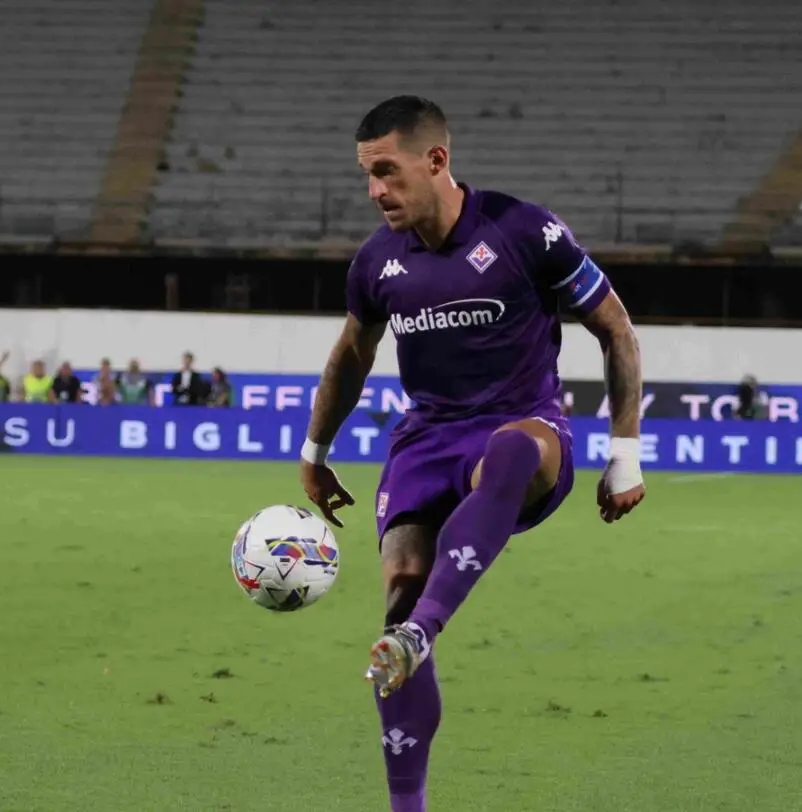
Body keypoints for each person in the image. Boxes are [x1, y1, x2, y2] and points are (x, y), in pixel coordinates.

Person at [298, 96, 645, 812]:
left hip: (525, 428)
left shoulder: (524, 231)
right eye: (367, 176)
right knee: (395, 610)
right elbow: (351, 356)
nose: (375, 191)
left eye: (387, 172)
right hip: (425, 440)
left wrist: (625, 453)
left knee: (510, 449)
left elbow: (615, 329)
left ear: (436, 160)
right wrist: (315, 448)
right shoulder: (376, 262)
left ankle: (423, 630)